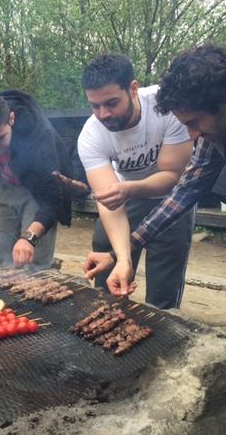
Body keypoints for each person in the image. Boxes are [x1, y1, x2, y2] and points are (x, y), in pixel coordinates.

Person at [84, 44, 226, 433]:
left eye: (193, 122)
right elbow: (185, 192)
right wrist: (126, 250)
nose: (191, 135)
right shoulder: (213, 128)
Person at [78, 54, 193, 309]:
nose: (103, 114)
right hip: (125, 197)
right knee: (108, 257)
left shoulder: (167, 108)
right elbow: (109, 203)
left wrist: (130, 188)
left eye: (111, 103)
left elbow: (173, 177)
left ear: (133, 89)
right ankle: (108, 315)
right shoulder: (91, 136)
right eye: (95, 106)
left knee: (164, 281)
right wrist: (123, 258)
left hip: (172, 197)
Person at [0, 90, 73, 269]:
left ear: (11, 119)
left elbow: (52, 201)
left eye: (1, 138)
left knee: (33, 258)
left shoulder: (39, 135)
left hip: (37, 188)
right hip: (2, 183)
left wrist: (29, 237)